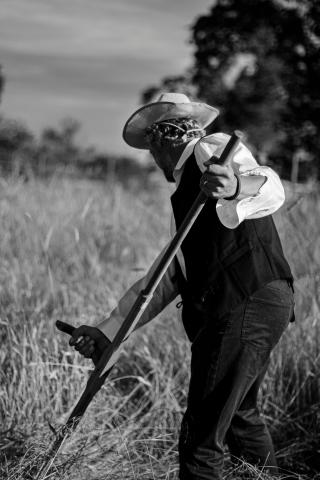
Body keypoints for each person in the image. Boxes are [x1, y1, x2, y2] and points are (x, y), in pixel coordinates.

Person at [70, 93, 295, 479]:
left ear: (161, 141)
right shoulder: (186, 195)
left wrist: (235, 185)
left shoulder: (212, 148)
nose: (151, 158)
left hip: (243, 302)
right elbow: (162, 279)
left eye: (150, 147)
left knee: (200, 440)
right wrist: (109, 332)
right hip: (260, 301)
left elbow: (271, 185)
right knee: (241, 417)